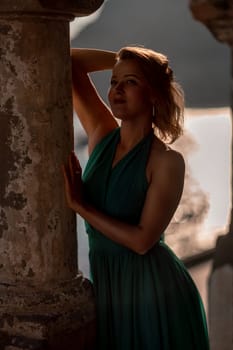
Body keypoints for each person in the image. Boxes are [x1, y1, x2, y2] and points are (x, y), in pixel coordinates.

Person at [62, 46, 210, 350]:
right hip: (111, 288)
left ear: (154, 93)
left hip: (154, 293)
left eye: (131, 82)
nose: (117, 90)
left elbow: (142, 241)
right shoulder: (102, 134)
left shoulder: (167, 161)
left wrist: (81, 206)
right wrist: (125, 60)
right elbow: (66, 59)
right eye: (114, 81)